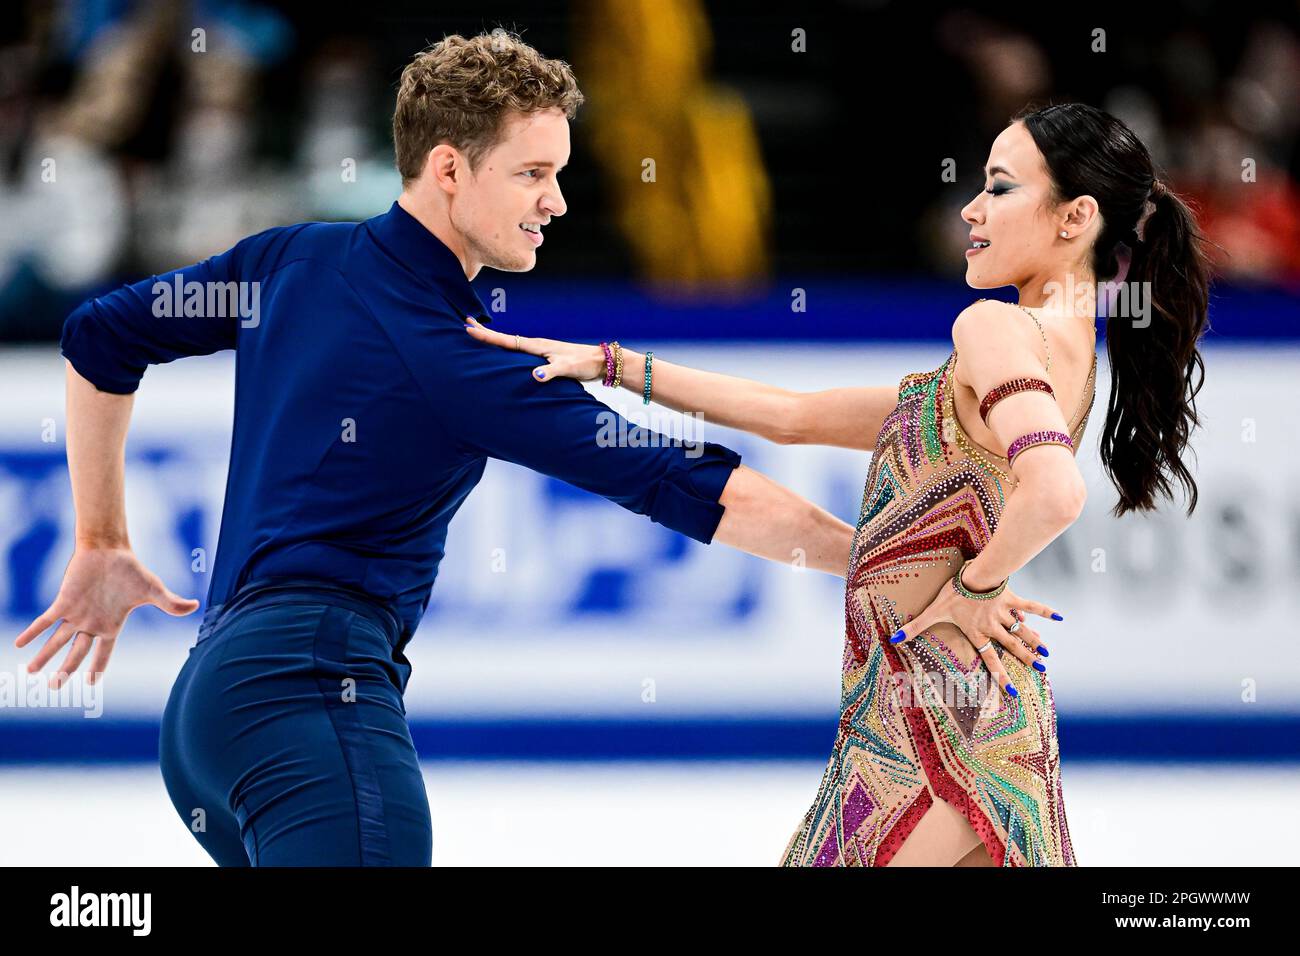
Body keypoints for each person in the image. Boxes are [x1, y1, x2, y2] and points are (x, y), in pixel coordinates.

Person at [13, 31, 856, 867]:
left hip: (207, 722)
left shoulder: (288, 260)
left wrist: (101, 539)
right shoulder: (459, 358)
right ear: (449, 169)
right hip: (307, 704)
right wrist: (887, 563)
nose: (556, 202)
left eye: (558, 174)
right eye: (532, 174)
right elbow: (698, 486)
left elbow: (99, 337)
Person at [464, 101, 1212, 866]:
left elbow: (1055, 490)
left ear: (1074, 216)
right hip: (964, 719)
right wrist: (616, 365)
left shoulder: (995, 330)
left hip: (929, 733)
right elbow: (792, 415)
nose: (971, 207)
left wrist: (977, 589)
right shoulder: (1056, 354)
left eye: (1000, 188)